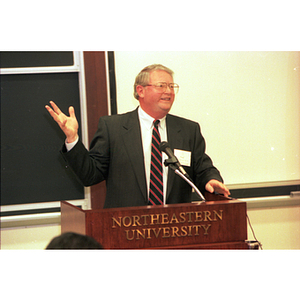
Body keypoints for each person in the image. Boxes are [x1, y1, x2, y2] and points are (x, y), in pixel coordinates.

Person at [45, 64, 230, 208]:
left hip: (176, 226)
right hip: (127, 229)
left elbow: (203, 167)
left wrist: (212, 179)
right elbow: (90, 175)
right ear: (140, 90)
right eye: (161, 86)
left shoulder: (188, 129)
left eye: (172, 86)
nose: (168, 91)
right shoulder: (113, 128)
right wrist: (72, 139)